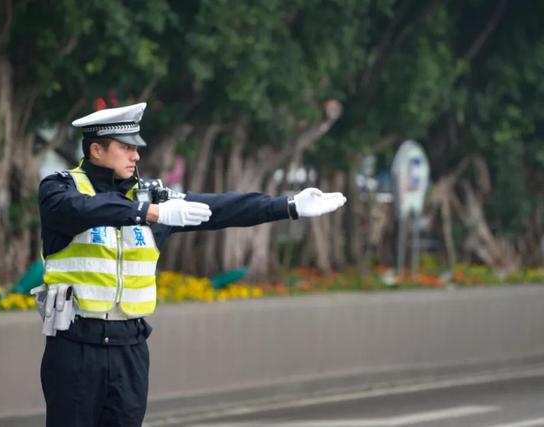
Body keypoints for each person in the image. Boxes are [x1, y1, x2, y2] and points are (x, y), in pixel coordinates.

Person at [36, 102, 347, 427]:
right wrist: (151, 214)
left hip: (130, 349)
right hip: (75, 348)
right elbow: (81, 209)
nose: (136, 156)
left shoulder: (149, 197)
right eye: (126, 148)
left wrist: (288, 206)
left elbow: (222, 208)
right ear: (96, 150)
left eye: (137, 149)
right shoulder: (60, 188)